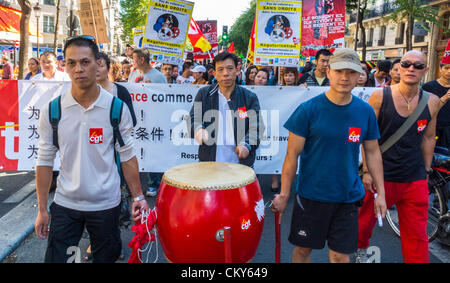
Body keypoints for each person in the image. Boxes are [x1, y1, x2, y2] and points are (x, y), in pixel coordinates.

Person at [34, 36, 149, 263]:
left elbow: (127, 156)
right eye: (72, 63)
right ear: (64, 66)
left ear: (98, 63)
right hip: (65, 204)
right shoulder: (53, 110)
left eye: (85, 62)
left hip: (106, 205)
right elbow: (45, 160)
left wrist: (138, 196)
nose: (79, 69)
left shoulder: (116, 108)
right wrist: (42, 209)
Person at [271, 48, 386, 263]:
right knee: (304, 250)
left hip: (348, 196)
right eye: (339, 71)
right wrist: (285, 194)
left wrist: (382, 195)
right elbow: (291, 156)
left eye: (351, 73)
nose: (345, 77)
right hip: (312, 195)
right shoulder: (308, 110)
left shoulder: (365, 111)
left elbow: (372, 152)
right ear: (328, 71)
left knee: (341, 255)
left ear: (359, 76)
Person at [356, 50, 447, 263]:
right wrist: (368, 171)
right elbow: (367, 137)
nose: (411, 69)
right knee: (364, 222)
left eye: (417, 66)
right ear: (399, 68)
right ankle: (360, 247)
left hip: (413, 177)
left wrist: (425, 171)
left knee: (416, 234)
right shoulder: (380, 96)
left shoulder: (432, 101)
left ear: (425, 71)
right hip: (380, 175)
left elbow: (428, 138)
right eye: (406, 64)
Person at [188, 52, 264, 168]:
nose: (226, 74)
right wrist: (199, 130)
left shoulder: (248, 97)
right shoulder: (204, 94)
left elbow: (256, 127)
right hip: (209, 164)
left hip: (240, 166)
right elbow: (193, 118)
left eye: (230, 68)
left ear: (237, 70)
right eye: (221, 69)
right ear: (214, 73)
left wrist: (246, 145)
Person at [422, 40, 450, 149]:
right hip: (432, 130)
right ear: (440, 68)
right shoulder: (428, 87)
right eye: (446, 68)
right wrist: (444, 98)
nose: (449, 72)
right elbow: (425, 111)